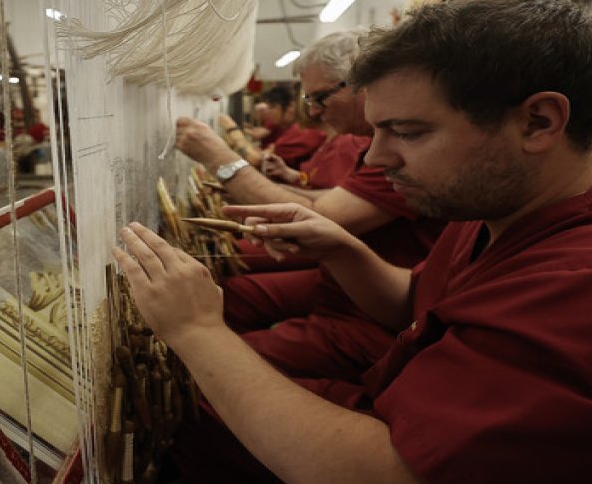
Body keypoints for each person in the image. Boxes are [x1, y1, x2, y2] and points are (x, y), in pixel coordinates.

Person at [114, 0, 592, 484]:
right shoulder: (500, 203)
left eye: (409, 132)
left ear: (540, 121)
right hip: (437, 431)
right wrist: (343, 249)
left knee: (209, 386)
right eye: (376, 130)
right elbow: (413, 304)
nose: (378, 158)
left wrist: (196, 330)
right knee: (209, 412)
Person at [176, 31, 444, 380]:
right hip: (344, 293)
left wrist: (221, 157)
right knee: (225, 299)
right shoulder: (373, 149)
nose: (314, 112)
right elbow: (329, 203)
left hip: (364, 322)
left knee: (202, 371)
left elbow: (327, 217)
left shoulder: (405, 157)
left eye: (320, 98)